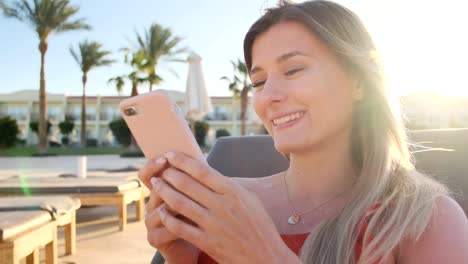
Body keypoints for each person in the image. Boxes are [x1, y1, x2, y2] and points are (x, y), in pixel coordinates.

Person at [138, 1, 468, 263]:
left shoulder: (424, 218)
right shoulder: (224, 203)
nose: (267, 96)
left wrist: (263, 256)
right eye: (259, 82)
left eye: (293, 69)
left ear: (359, 82)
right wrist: (179, 259)